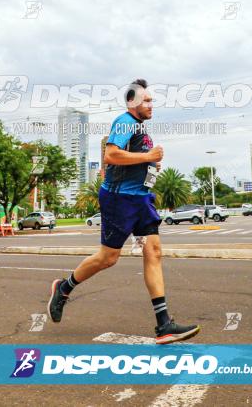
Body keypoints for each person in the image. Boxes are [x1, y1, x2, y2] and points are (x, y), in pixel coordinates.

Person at [47, 79, 200, 344]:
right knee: (108, 258)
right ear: (133, 103)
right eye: (147, 100)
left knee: (153, 251)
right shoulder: (125, 121)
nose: (151, 104)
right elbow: (112, 155)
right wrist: (148, 157)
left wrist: (148, 167)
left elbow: (132, 159)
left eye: (152, 100)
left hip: (141, 198)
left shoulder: (140, 127)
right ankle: (64, 288)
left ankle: (164, 325)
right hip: (120, 199)